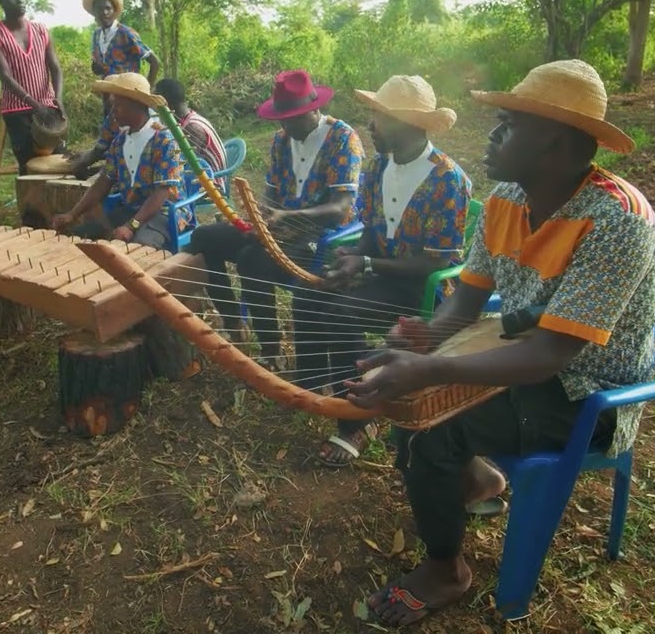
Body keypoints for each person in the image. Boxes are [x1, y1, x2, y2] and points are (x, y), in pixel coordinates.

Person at [343, 60, 655, 627]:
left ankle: (447, 571)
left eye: (509, 126)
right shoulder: (506, 199)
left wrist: (426, 372)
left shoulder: (620, 220)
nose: (491, 136)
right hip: (522, 355)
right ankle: (480, 479)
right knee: (412, 404)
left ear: (555, 145)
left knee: (427, 427)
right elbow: (465, 304)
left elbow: (551, 356)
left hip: (587, 394)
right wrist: (424, 344)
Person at [290, 75, 471, 468]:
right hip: (384, 274)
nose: (369, 124)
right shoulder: (376, 168)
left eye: (379, 117)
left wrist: (367, 263)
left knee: (341, 313)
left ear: (407, 125)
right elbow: (372, 232)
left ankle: (355, 420)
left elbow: (436, 263)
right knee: (309, 293)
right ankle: (308, 385)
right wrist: (353, 257)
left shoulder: (447, 179)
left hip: (423, 288)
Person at [188, 70, 364, 368]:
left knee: (253, 261)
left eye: (291, 118)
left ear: (312, 110)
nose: (284, 125)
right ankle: (233, 322)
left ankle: (271, 352)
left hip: (320, 234)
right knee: (204, 238)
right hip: (281, 227)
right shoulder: (281, 140)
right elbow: (270, 194)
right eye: (281, 118)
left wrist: (290, 216)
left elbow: (340, 208)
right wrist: (262, 216)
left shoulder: (342, 138)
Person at [50, 73, 187, 249]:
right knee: (81, 238)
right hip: (130, 209)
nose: (112, 112)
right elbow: (103, 182)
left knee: (140, 248)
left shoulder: (164, 140)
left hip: (165, 212)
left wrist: (131, 226)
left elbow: (162, 193)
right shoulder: (119, 141)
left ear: (136, 107)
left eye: (118, 106)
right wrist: (72, 214)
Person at [0, 0, 65, 176]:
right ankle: (31, 206)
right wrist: (34, 104)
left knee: (58, 161)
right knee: (30, 164)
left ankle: (58, 206)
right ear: (1, 2)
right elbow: (5, 75)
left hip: (47, 107)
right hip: (17, 110)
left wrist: (58, 99)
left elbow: (55, 67)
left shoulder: (41, 31)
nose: (19, 0)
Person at [154, 78, 227, 188]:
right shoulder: (187, 120)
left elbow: (180, 165)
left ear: (167, 105)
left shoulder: (192, 128)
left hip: (211, 186)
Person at [85, 0, 160, 82]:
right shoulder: (96, 35)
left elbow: (154, 62)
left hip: (128, 90)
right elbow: (99, 67)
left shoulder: (125, 33)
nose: (104, 12)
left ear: (114, 11)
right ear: (94, 13)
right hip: (106, 91)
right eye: (100, 9)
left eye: (108, 8)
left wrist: (147, 88)